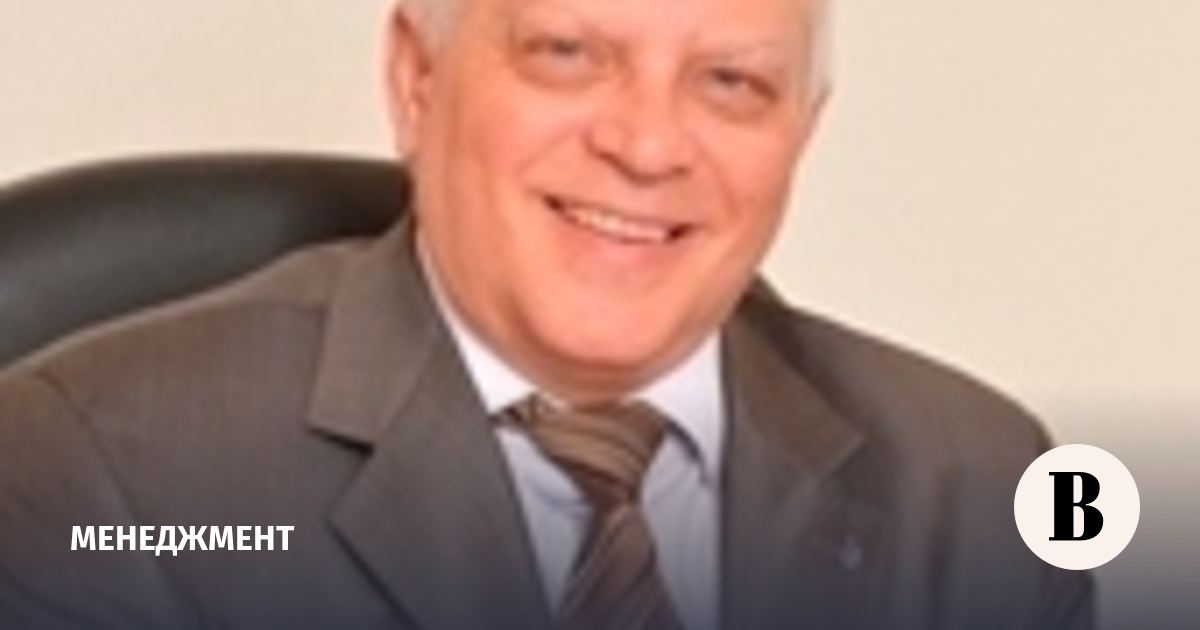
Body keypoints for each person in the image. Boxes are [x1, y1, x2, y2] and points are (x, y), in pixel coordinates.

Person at [0, 0, 1092, 629]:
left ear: (801, 134)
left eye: (731, 83)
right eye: (569, 55)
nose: (648, 146)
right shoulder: (103, 473)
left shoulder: (977, 493)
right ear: (416, 78)